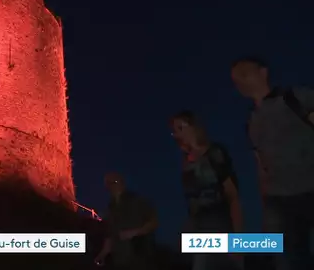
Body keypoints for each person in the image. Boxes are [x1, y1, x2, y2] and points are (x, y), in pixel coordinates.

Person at [231, 57, 314, 270]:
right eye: (235, 79)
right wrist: (265, 205)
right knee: (288, 261)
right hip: (279, 201)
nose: (239, 80)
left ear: (263, 73)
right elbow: (261, 165)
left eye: (244, 73)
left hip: (310, 187)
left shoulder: (296, 98)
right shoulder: (251, 121)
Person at [170, 111, 243, 270]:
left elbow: (232, 195)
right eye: (174, 130)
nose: (176, 134)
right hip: (198, 226)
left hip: (219, 222)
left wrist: (237, 238)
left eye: (180, 127)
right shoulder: (186, 162)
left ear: (194, 127)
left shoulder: (215, 153)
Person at [94, 172, 158, 270]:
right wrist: (102, 254)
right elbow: (110, 235)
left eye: (114, 182)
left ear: (122, 183)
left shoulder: (137, 201)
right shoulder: (110, 208)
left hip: (139, 257)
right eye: (108, 183)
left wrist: (135, 232)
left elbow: (154, 222)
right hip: (119, 260)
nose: (111, 186)